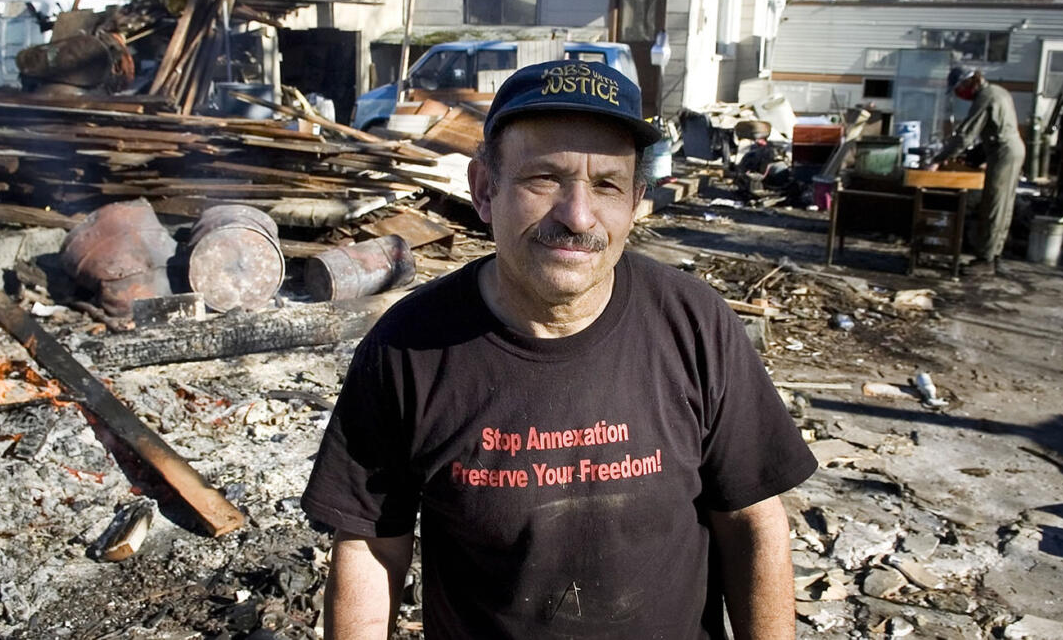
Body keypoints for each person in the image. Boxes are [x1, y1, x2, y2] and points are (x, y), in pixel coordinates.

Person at [302, 59, 818, 639]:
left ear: (637, 201)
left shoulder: (695, 324)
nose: (577, 217)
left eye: (606, 185)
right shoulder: (408, 349)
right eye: (544, 179)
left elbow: (752, 523)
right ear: (484, 190)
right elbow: (373, 546)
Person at [930, 66, 1026, 275]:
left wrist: (939, 158)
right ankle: (995, 254)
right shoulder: (999, 91)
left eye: (958, 89)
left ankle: (986, 260)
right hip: (1008, 150)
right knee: (1003, 205)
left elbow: (966, 134)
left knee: (994, 204)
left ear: (968, 82)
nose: (959, 95)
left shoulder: (985, 97)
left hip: (1004, 152)